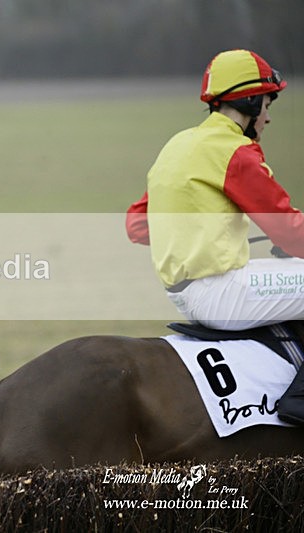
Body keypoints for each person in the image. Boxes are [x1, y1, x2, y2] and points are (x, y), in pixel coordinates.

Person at [125, 49, 304, 425]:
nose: (269, 117)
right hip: (223, 293)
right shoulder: (236, 153)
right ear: (251, 101)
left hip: (184, 295)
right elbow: (289, 231)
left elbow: (138, 226)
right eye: (268, 104)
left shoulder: (179, 145)